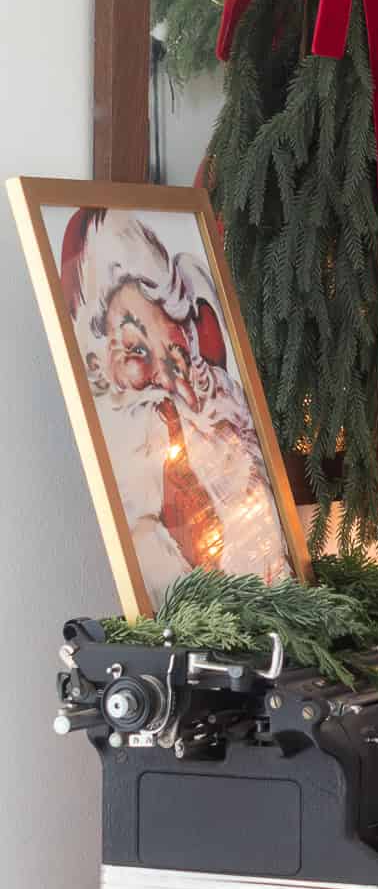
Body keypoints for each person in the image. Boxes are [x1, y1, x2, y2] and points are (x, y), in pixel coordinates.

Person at [60, 207, 292, 605]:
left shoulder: (219, 399)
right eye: (135, 351)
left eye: (171, 341)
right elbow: (146, 543)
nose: (166, 374)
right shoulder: (142, 434)